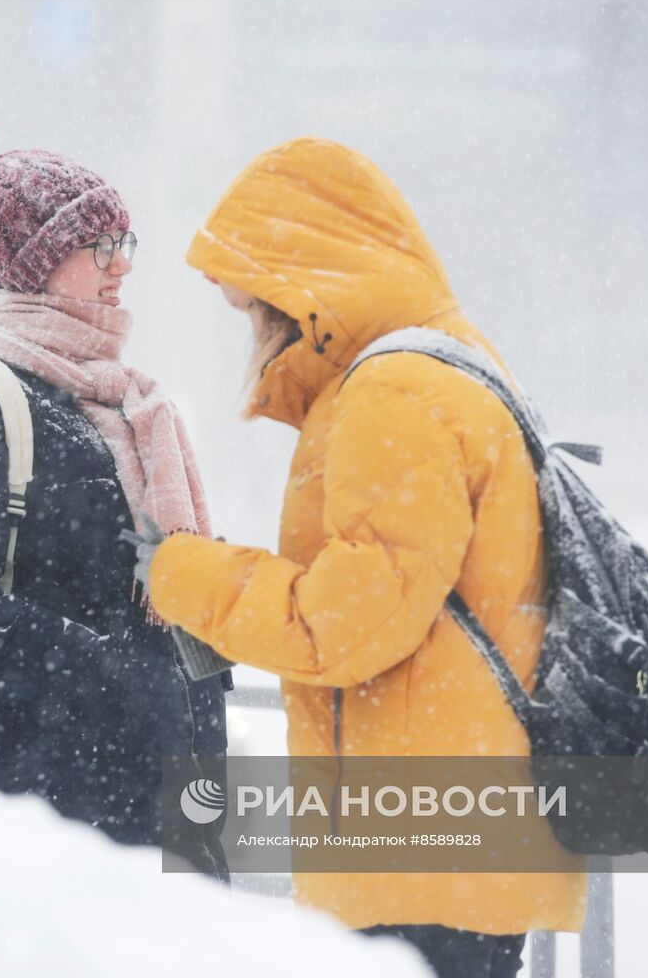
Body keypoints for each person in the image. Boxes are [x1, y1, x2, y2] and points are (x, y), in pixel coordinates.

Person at [137, 137, 587, 977]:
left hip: (422, 853)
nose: (253, 332)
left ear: (301, 283)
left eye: (252, 306)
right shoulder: (445, 368)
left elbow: (345, 628)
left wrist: (181, 571)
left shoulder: (398, 393)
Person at [0, 118, 229, 866]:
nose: (122, 268)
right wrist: (117, 683)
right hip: (52, 800)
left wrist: (199, 698)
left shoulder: (128, 403)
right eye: (100, 248)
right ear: (33, 263)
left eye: (126, 245)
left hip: (178, 788)